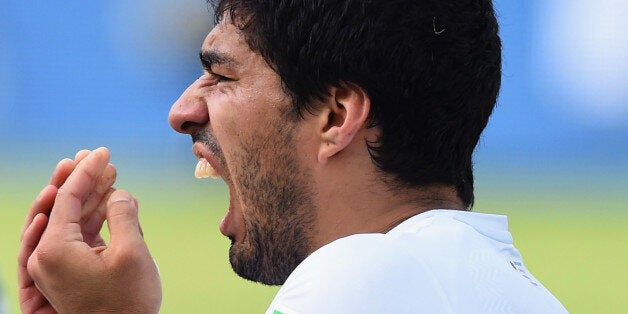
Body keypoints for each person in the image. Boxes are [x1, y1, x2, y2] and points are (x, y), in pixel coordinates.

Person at [18, 0, 568, 313]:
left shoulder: (364, 281)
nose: (182, 109)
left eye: (221, 75)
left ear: (335, 116)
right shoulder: (504, 291)